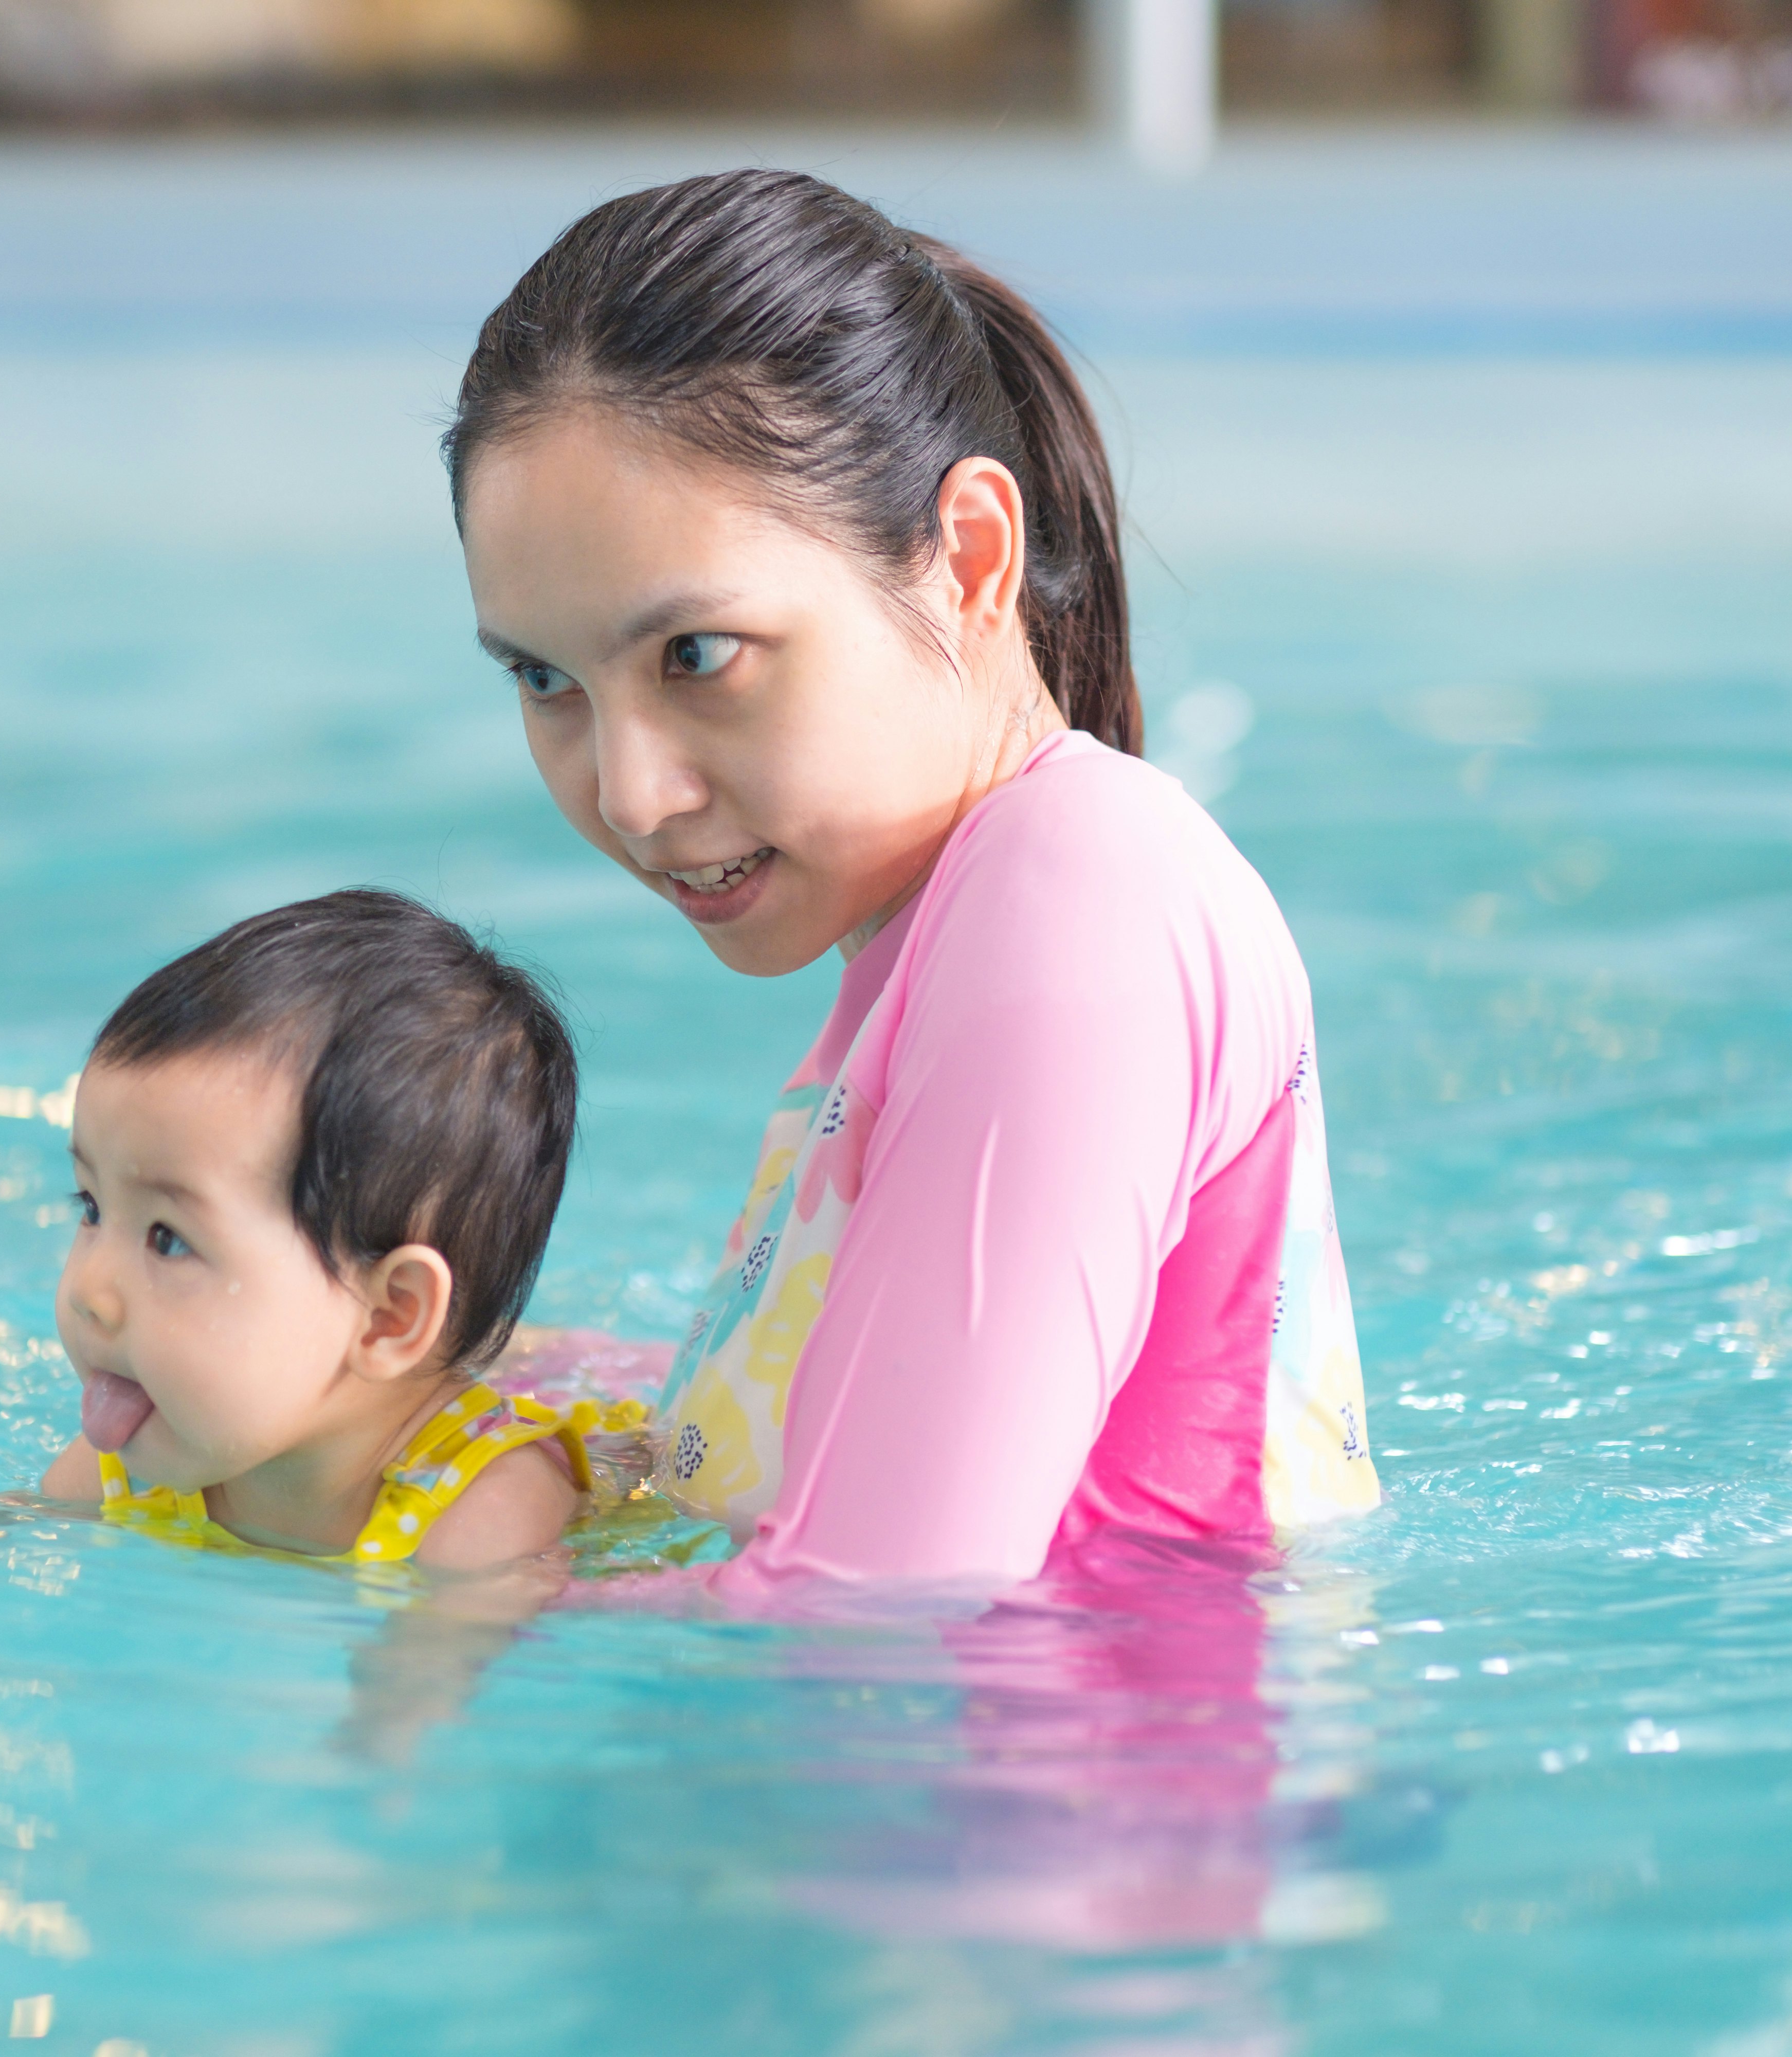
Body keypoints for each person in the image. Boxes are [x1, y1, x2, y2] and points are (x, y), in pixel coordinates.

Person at [450, 169, 1381, 1603]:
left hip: (1054, 1819)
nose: (630, 794)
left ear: (971, 559)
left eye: (698, 656)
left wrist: (407, 1601)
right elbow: (828, 1443)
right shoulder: (957, 921)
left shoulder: (1082, 901)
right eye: (545, 680)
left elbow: (885, 1614)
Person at [35, 889, 635, 1571]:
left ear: (387, 1316)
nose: (91, 1290)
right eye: (91, 1207)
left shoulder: (486, 1516)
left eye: (168, 1239)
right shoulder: (143, 1447)